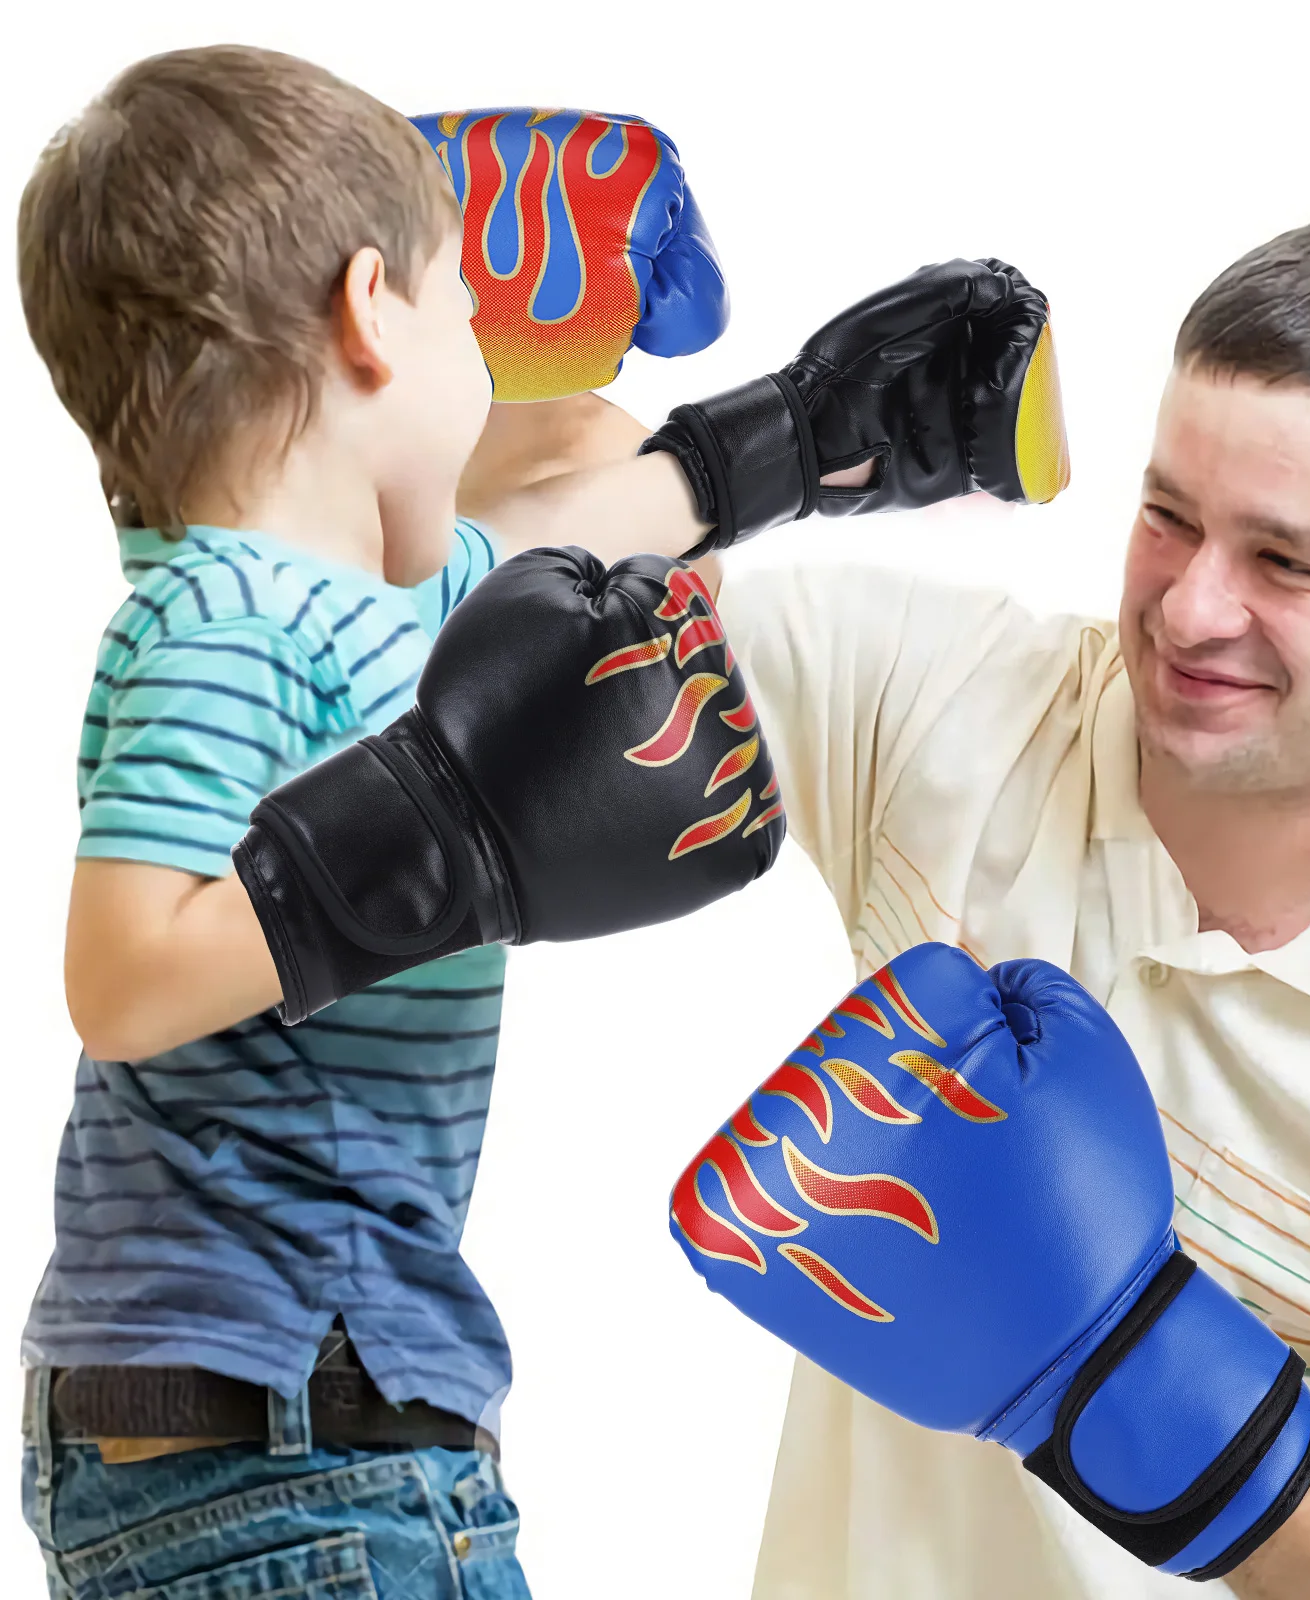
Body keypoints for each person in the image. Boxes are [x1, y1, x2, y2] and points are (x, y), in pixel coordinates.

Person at [14, 40, 1062, 1597]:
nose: (493, 364)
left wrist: (809, 430)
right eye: (464, 315)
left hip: (294, 1431)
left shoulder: (372, 604)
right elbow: (120, 975)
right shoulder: (225, 616)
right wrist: (434, 840)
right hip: (288, 1438)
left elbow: (573, 509)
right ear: (372, 313)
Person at [690, 220, 1310, 1596]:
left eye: (1286, 564)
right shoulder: (953, 710)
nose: (1189, 611)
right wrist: (739, 453)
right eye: (1169, 515)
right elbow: (528, 628)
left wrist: (1110, 1374)